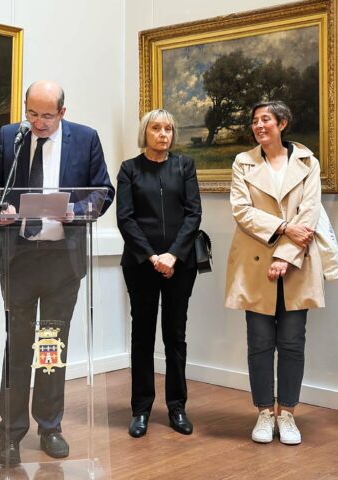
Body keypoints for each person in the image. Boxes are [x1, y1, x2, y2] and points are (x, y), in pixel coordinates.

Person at [0, 80, 115, 465]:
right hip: (18, 260)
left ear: (63, 113)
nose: (38, 123)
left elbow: (103, 191)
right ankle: (11, 434)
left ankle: (50, 426)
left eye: (47, 116)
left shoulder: (86, 139)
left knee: (51, 345)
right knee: (17, 347)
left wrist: (76, 211)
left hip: (62, 261)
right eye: (32, 113)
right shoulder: (10, 137)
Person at [224, 100, 324, 446]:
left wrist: (285, 255)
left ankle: (288, 413)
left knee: (293, 343)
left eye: (265, 119)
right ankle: (265, 412)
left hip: (297, 262)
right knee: (260, 343)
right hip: (255, 263)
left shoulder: (308, 162)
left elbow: (309, 214)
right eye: (254, 121)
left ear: (282, 123)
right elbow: (241, 210)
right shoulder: (243, 162)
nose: (259, 126)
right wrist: (284, 226)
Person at [116, 109, 202, 438]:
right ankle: (141, 409)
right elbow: (126, 218)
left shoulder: (185, 166)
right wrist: (152, 256)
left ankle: (177, 407)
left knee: (175, 337)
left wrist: (173, 255)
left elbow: (193, 214)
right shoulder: (129, 170)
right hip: (141, 265)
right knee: (142, 336)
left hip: (180, 266)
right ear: (145, 132)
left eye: (168, 128)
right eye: (156, 128)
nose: (163, 134)